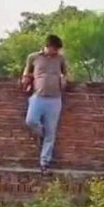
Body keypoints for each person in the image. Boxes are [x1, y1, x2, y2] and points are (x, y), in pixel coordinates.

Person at [21, 33, 67, 172]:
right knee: (30, 121)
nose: (56, 52)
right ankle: (42, 134)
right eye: (55, 49)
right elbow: (26, 72)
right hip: (38, 96)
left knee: (51, 133)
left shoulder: (60, 59)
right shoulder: (33, 57)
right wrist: (25, 78)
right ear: (48, 46)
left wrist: (64, 78)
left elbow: (64, 72)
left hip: (55, 99)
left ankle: (44, 163)